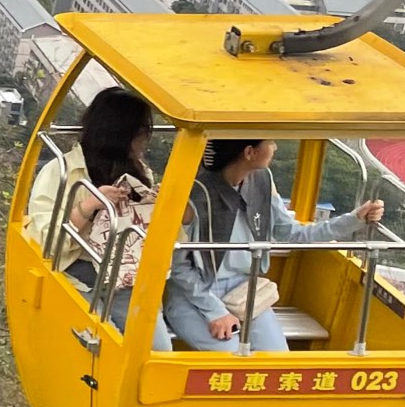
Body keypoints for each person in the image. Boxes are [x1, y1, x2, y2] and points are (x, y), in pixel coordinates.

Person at [164, 135, 385, 353]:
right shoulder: (193, 195)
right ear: (250, 152)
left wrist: (355, 219)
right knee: (232, 359)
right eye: (270, 141)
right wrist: (215, 312)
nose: (275, 147)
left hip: (244, 290)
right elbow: (179, 268)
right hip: (194, 295)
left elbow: (293, 234)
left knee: (276, 358)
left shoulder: (262, 181)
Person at [29, 85, 173, 346]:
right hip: (79, 273)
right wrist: (90, 206)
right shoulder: (62, 173)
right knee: (108, 348)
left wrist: (159, 207)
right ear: (123, 135)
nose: (144, 140)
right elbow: (44, 241)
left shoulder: (140, 173)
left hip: (124, 275)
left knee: (157, 350)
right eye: (141, 133)